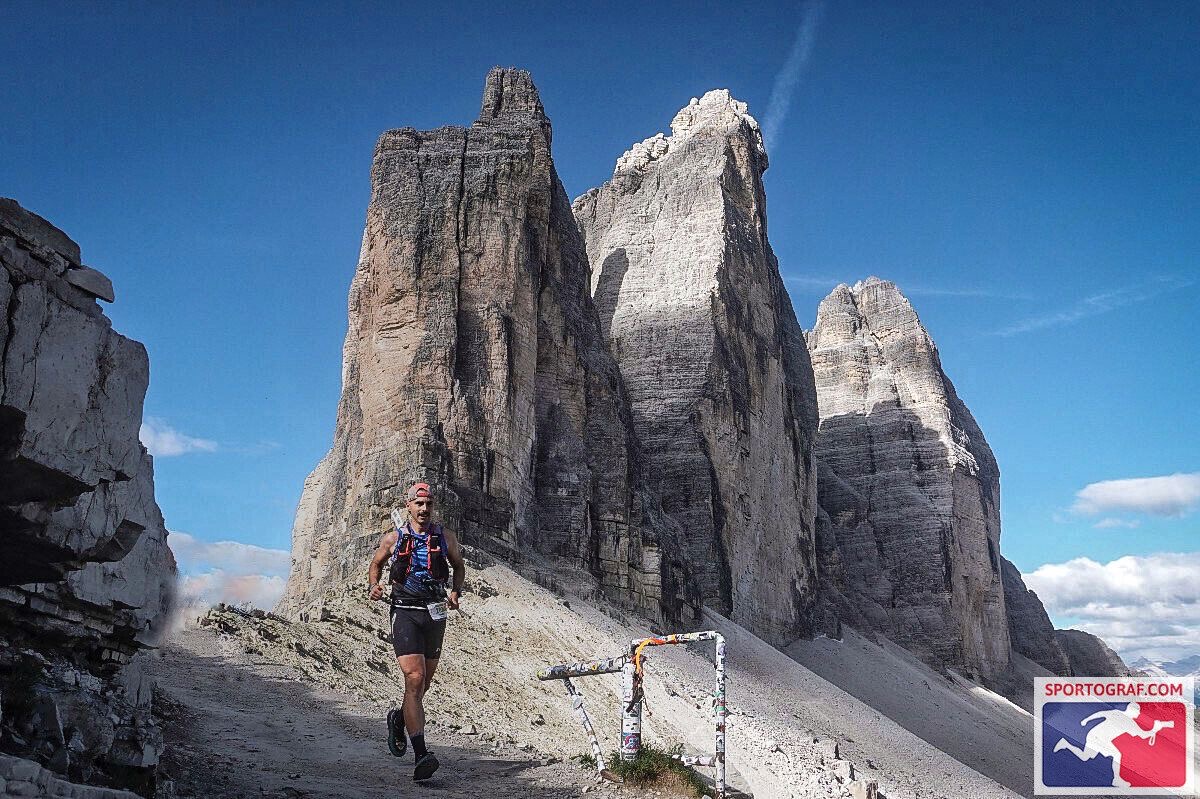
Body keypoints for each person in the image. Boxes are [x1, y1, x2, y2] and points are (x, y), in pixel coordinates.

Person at [368, 481, 465, 781]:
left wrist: (456, 592)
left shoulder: (445, 537)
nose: (424, 509)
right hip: (405, 611)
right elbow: (376, 564)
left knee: (423, 686)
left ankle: (399, 718)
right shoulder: (394, 538)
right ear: (408, 506)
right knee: (415, 678)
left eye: (428, 504)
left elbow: (458, 566)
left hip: (435, 613)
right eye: (418, 504)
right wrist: (374, 586)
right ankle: (421, 754)